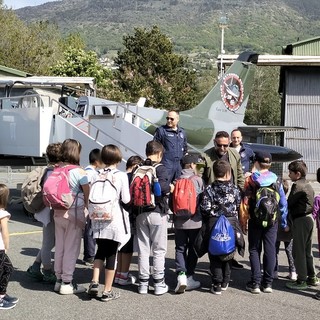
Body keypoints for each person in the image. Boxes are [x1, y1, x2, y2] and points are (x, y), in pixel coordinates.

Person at [240, 151, 288, 294]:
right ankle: (267, 284)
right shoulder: (277, 180)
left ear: (256, 163)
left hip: (256, 220)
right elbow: (283, 204)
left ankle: (255, 283)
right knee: (270, 250)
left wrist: (243, 221)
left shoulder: (251, 180)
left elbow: (245, 203)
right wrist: (284, 223)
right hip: (272, 221)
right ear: (270, 164)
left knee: (254, 249)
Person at [88, 144, 131, 302]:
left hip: (97, 219)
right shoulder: (121, 176)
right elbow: (126, 199)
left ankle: (94, 282)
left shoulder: (95, 174)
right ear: (118, 159)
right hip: (113, 219)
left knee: (100, 251)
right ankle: (107, 290)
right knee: (112, 254)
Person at [202, 130, 245, 269]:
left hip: (231, 202)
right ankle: (215, 262)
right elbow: (199, 178)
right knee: (215, 234)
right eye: (219, 145)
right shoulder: (205, 156)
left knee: (231, 233)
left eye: (225, 145)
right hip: (214, 203)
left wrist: (241, 192)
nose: (222, 148)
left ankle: (230, 259)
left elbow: (239, 175)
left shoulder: (234, 154)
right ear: (215, 142)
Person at [200, 160, 243, 294]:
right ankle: (225, 281)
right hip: (231, 223)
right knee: (228, 252)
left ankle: (216, 283)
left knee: (215, 252)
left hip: (213, 223)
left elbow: (205, 208)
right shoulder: (235, 189)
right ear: (228, 173)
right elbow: (237, 204)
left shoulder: (209, 189)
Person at [135, 140, 172, 295]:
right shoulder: (161, 168)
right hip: (157, 211)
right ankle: (158, 282)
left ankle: (143, 283)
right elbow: (163, 189)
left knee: (143, 249)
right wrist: (170, 187)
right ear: (160, 153)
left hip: (140, 212)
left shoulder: (139, 168)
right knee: (159, 249)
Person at [53, 139, 90, 295]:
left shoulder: (57, 169)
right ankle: (67, 283)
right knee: (71, 248)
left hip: (57, 212)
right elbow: (88, 193)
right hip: (74, 213)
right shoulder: (80, 172)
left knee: (60, 246)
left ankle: (58, 279)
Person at [27, 142, 62, 284]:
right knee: (48, 243)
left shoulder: (48, 170)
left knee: (50, 242)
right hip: (50, 211)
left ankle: (35, 267)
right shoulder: (52, 172)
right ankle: (47, 271)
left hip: (46, 211)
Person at [285, 160, 319, 290]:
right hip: (309, 219)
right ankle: (312, 276)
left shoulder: (297, 186)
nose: (289, 175)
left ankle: (301, 280)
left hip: (300, 220)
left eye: (290, 172)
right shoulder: (308, 184)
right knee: (307, 251)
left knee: (298, 251)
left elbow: (289, 203)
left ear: (297, 174)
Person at [174, 154, 204, 294]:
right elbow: (202, 201)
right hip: (195, 221)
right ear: (192, 165)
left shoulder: (177, 180)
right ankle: (190, 275)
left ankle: (181, 276)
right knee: (193, 248)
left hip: (179, 221)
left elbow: (171, 202)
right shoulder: (197, 180)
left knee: (180, 248)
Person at [115, 155, 143, 286]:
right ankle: (124, 275)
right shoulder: (133, 178)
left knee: (120, 247)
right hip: (129, 216)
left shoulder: (118, 176)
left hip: (116, 215)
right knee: (128, 247)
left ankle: (119, 274)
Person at [153, 110, 187, 183]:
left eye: (172, 119)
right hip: (166, 165)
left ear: (177, 119)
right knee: (164, 188)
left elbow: (185, 148)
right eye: (167, 118)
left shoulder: (182, 132)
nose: (169, 120)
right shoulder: (161, 131)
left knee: (177, 189)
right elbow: (155, 148)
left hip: (178, 167)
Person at [83, 148, 103, 266]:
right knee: (91, 231)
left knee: (89, 230)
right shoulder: (93, 174)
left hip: (86, 205)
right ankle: (90, 256)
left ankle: (89, 255)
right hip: (91, 205)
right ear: (96, 161)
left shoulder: (85, 171)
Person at [0, 184, 18, 310]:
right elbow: (5, 233)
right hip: (0, 248)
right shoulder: (2, 214)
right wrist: (6, 247)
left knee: (8, 268)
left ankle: (2, 294)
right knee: (3, 270)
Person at [274, 179, 297, 281]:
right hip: (288, 229)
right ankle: (293, 272)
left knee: (275, 250)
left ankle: (274, 271)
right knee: (289, 250)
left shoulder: (275, 203)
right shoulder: (288, 203)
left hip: (277, 228)